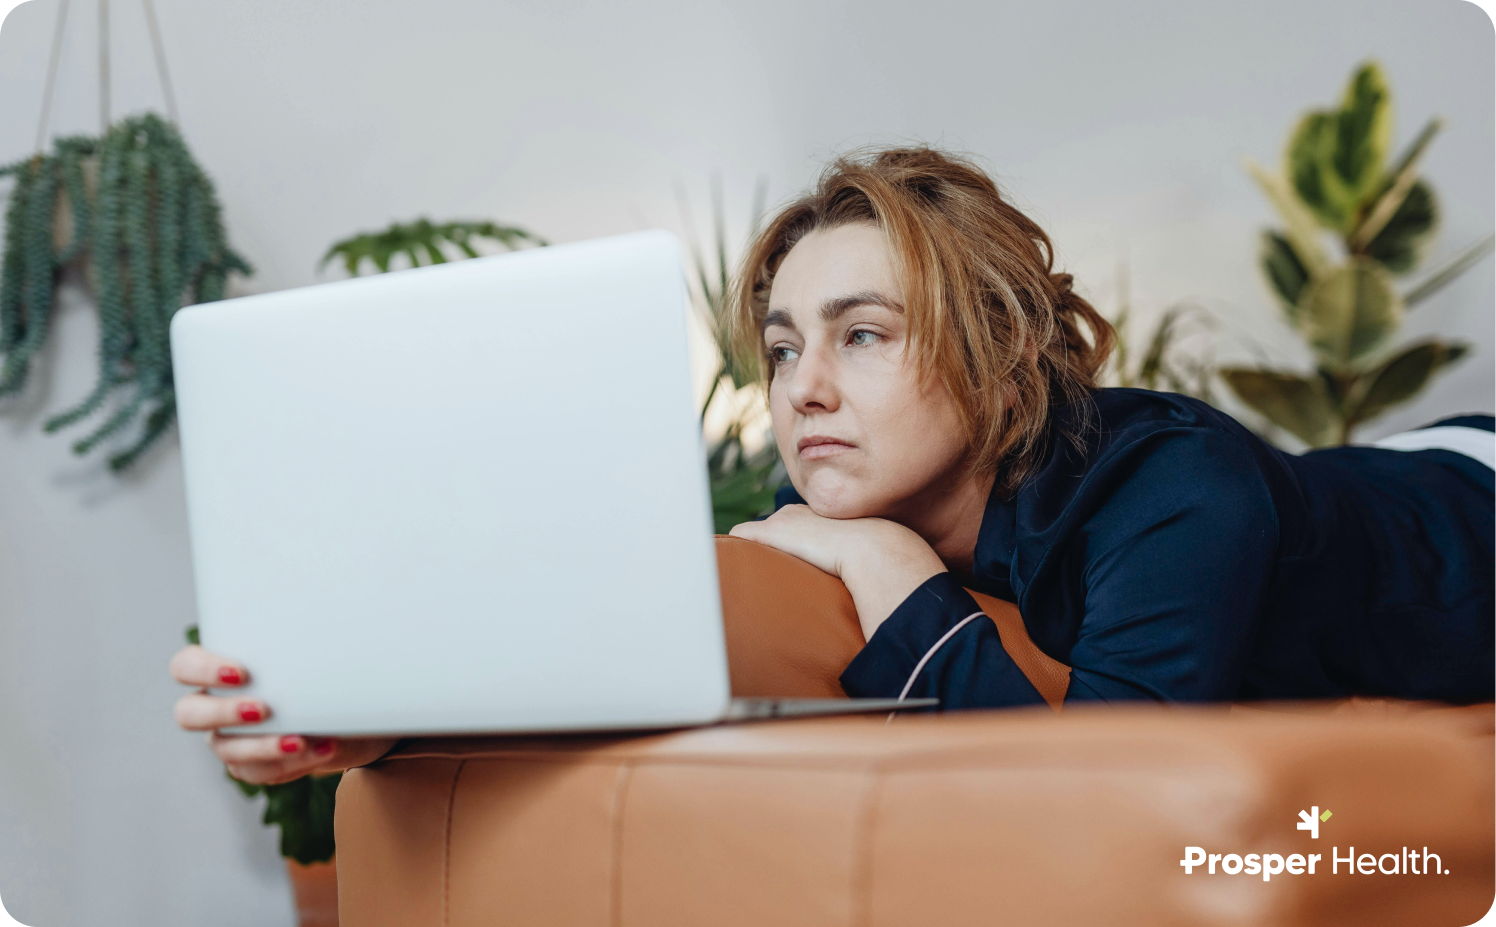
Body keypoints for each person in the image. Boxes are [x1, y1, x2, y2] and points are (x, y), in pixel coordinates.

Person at [171, 146, 1496, 784]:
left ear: (998, 348)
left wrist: (883, 565)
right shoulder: (823, 498)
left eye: (864, 336)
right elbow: (636, 657)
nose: (803, 385)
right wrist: (356, 712)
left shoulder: (1172, 493)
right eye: (786, 341)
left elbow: (1092, 796)